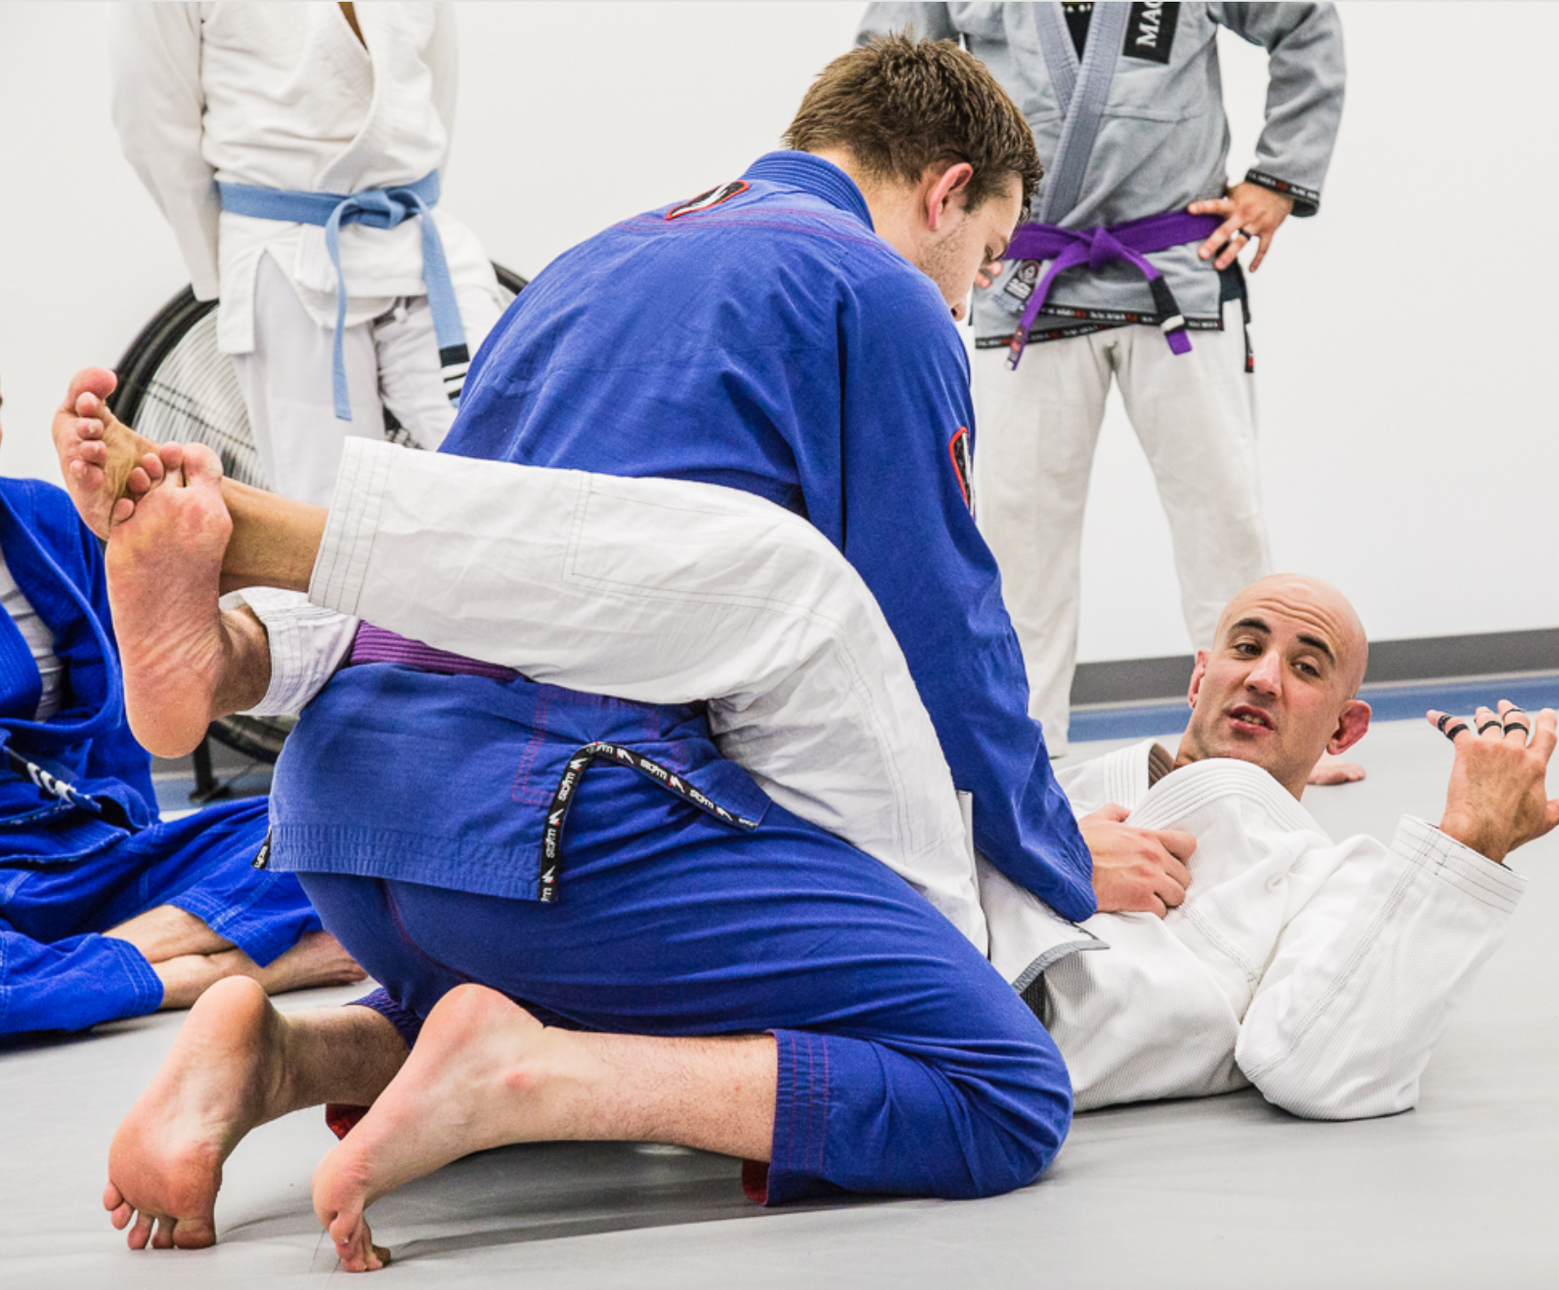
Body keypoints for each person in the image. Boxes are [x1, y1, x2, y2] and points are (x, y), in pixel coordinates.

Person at [61, 36, 1201, 1270]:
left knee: (565, 976)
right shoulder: (878, 295)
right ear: (945, 191)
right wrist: (1052, 853)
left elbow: (474, 542)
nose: (971, 299)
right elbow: (947, 637)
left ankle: (279, 1054)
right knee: (999, 1087)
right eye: (986, 257)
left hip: (343, 811)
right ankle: (525, 1073)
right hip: (558, 825)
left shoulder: (588, 264)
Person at [855, 3, 1348, 765]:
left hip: (1178, 268)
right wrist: (934, 226)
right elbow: (886, 77)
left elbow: (1305, 19)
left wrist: (1277, 178)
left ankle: (1263, 748)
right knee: (1016, 542)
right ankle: (1021, 753)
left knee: (1223, 523)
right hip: (1026, 276)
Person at [990, 573, 1559, 1112]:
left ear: (1345, 728)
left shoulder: (1328, 885)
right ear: (1199, 678)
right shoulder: (1050, 795)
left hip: (983, 1051)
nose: (1263, 679)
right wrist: (1050, 857)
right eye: (1246, 649)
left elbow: (1312, 1066)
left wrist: (1469, 846)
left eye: (1306, 667)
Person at [0, 386, 359, 1038]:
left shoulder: (46, 521)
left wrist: (142, 846)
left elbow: (116, 735)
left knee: (344, 816)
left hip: (84, 848)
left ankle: (79, 971)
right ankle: (212, 969)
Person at [110, 1, 506, 505]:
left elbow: (434, 83)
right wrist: (238, 267)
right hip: (285, 256)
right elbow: (151, 118)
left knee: (514, 462)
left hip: (414, 237)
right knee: (331, 509)